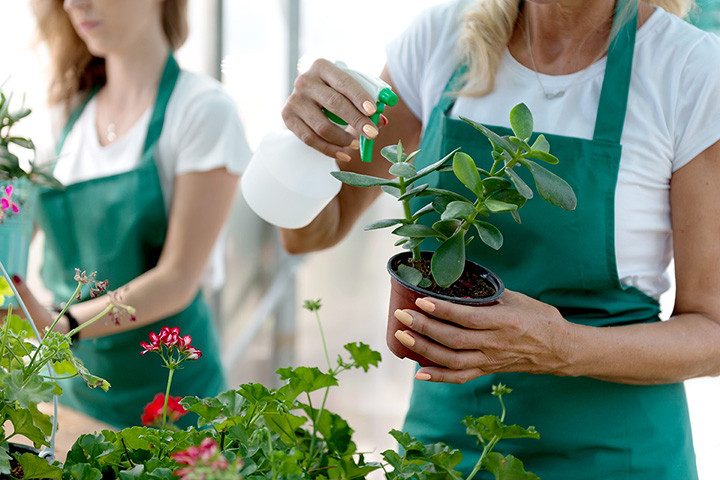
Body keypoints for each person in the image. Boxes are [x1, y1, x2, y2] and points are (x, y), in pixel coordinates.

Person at [279, 0, 720, 478]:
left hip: (615, 453)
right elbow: (312, 231)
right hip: (446, 449)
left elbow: (713, 331)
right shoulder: (440, 39)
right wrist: (309, 142)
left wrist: (564, 347)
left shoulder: (690, 70)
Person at [9, 0, 251, 429]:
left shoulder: (201, 110)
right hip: (72, 393)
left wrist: (60, 326)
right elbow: (13, 235)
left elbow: (178, 278)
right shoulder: (63, 119)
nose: (73, 4)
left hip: (172, 398)